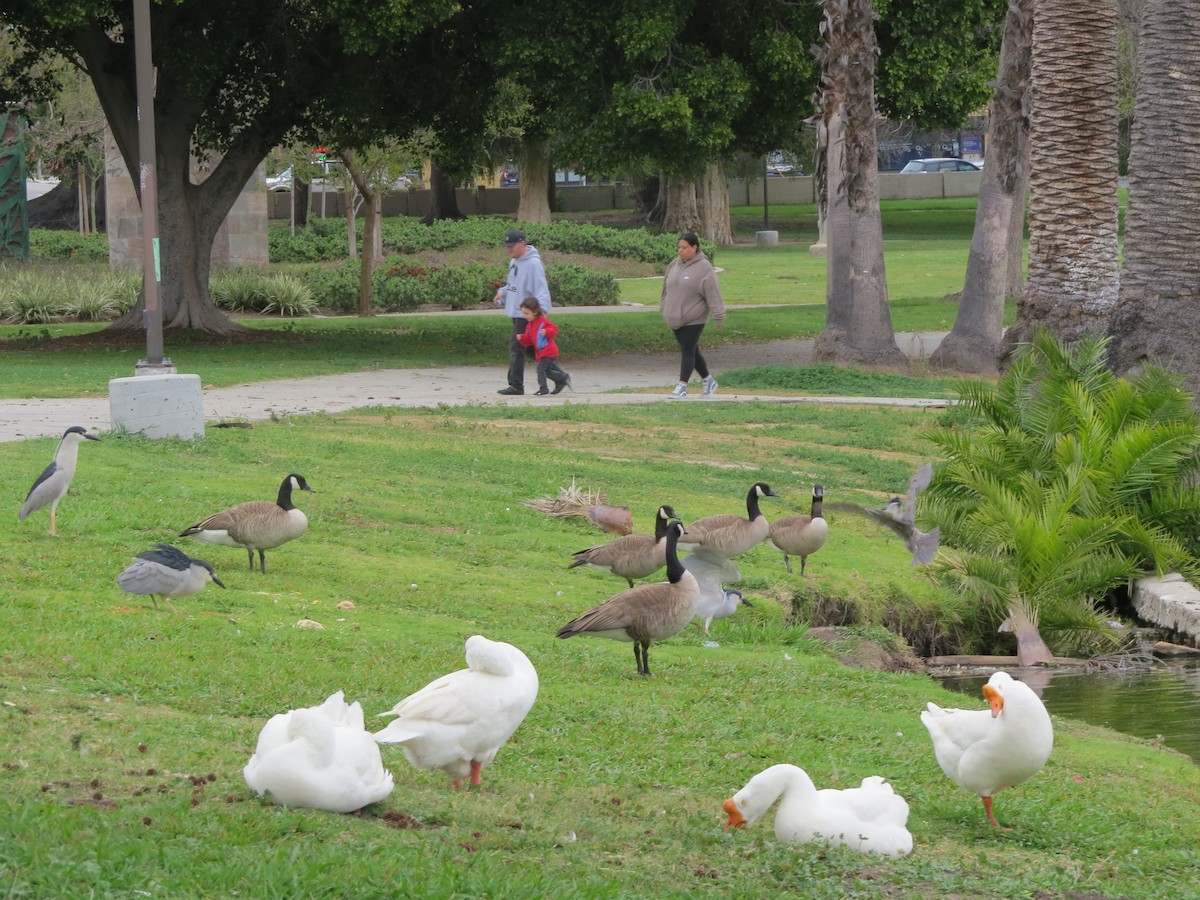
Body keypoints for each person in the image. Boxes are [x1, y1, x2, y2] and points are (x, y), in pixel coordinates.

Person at [660, 231, 725, 399]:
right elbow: (666, 288)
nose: (680, 250)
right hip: (675, 317)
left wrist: (719, 315)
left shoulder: (704, 267)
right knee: (692, 351)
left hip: (694, 317)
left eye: (684, 247)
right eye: (679, 247)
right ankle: (709, 381)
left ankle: (681, 387)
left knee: (688, 350)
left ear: (694, 248)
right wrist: (663, 307)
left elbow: (713, 292)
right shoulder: (674, 264)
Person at [492, 229, 551, 395]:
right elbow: (513, 283)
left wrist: (542, 312)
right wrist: (502, 292)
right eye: (507, 246)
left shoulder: (533, 264)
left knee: (516, 348)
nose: (509, 250)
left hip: (528, 314)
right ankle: (560, 376)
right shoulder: (514, 262)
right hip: (516, 312)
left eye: (512, 246)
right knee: (532, 350)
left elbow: (542, 290)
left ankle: (516, 386)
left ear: (522, 244)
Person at [515, 297, 572, 396]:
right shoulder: (529, 325)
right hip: (542, 352)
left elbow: (553, 329)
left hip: (549, 351)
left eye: (527, 313)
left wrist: (547, 331)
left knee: (540, 370)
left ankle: (543, 388)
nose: (525, 316)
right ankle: (562, 379)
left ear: (535, 312)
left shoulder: (542, 321)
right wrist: (522, 338)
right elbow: (529, 340)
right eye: (524, 313)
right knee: (548, 371)